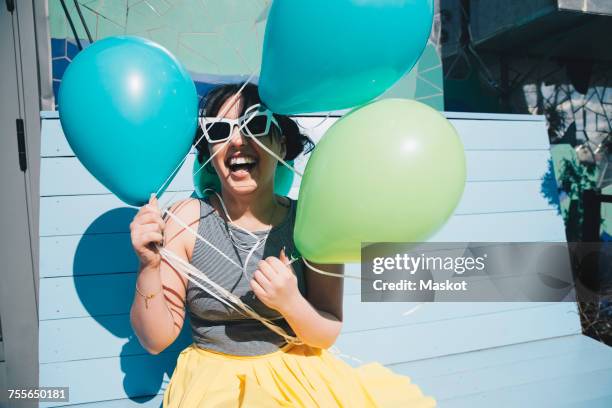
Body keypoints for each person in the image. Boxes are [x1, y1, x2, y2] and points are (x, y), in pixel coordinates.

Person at [129, 83, 437, 407]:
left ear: (281, 141)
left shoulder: (310, 220)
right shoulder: (186, 221)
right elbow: (155, 340)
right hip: (213, 386)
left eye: (255, 125)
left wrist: (290, 302)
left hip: (297, 379)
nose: (237, 140)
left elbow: (327, 331)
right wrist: (148, 266)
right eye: (220, 130)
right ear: (209, 152)